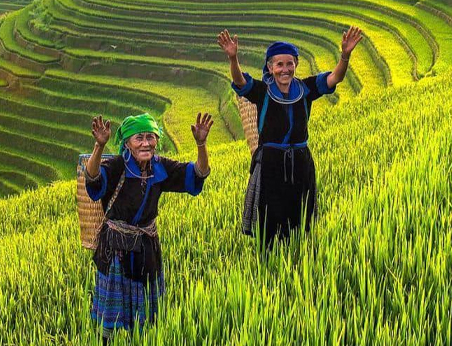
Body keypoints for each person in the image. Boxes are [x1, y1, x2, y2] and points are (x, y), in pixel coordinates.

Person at [217, 27, 363, 249]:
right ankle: (268, 261)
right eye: (279, 64)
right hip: (271, 163)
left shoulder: (306, 88)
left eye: (289, 64)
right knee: (269, 216)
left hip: (301, 161)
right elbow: (240, 82)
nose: (285, 69)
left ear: (296, 65)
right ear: (270, 67)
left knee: (300, 215)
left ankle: (296, 256)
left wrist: (345, 56)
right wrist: (233, 57)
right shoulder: (262, 91)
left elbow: (336, 78)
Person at [84, 112, 213, 340]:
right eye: (139, 138)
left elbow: (197, 174)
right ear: (127, 143)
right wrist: (99, 146)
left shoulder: (160, 167)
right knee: (111, 318)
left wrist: (201, 144)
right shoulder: (117, 166)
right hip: (116, 249)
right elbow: (93, 179)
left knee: (145, 320)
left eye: (151, 137)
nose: (146, 143)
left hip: (146, 249)